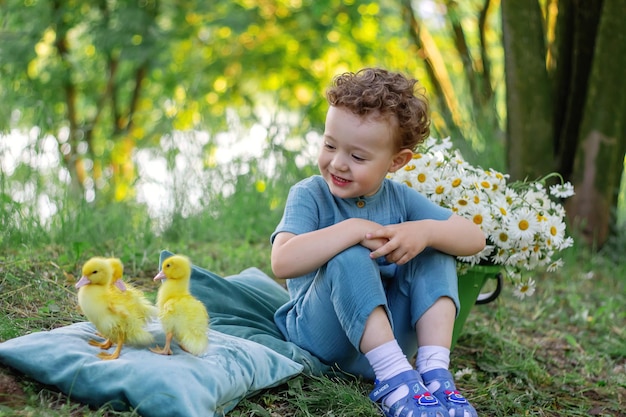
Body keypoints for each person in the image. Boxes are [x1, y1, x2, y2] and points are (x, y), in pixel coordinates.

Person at [270, 68, 485, 417]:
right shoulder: (309, 194)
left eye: (357, 157)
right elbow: (282, 262)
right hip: (322, 335)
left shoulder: (400, 199)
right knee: (348, 257)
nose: (338, 163)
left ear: (396, 162)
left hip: (388, 345)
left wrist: (426, 232)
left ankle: (433, 373)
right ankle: (394, 380)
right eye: (329, 145)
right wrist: (354, 228)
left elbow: (475, 238)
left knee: (435, 247)